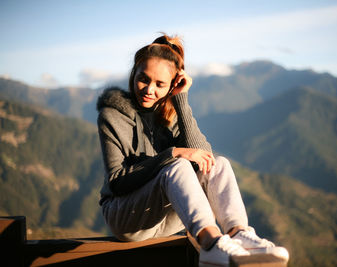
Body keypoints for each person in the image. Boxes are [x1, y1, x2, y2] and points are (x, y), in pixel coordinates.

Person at [96, 34, 289, 267]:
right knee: (176, 165)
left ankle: (239, 234)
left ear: (171, 86)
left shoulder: (170, 115)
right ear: (133, 74)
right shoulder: (112, 115)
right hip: (126, 217)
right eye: (143, 79)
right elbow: (117, 182)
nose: (148, 89)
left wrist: (181, 101)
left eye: (160, 84)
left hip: (165, 219)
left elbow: (203, 158)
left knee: (219, 164)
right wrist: (174, 153)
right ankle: (211, 244)